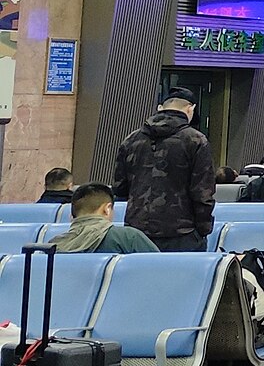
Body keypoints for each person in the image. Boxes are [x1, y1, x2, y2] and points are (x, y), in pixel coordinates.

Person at [111, 88, 215, 251]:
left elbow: (120, 187)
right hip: (182, 233)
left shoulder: (131, 139)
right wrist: (203, 230)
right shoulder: (196, 140)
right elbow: (202, 192)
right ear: (190, 109)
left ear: (161, 107)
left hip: (136, 231)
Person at [42, 183, 157, 254]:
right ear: (107, 209)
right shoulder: (128, 237)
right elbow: (162, 272)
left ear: (71, 217)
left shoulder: (53, 245)